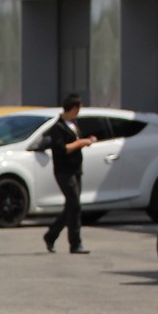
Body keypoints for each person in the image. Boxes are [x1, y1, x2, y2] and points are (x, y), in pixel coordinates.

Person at [40, 94, 97, 255]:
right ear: (73, 109)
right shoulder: (58, 127)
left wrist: (86, 140)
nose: (79, 112)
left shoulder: (73, 124)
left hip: (76, 169)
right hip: (63, 171)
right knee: (75, 205)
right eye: (78, 109)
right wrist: (81, 143)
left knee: (72, 206)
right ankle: (75, 243)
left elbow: (75, 143)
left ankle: (51, 235)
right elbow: (62, 149)